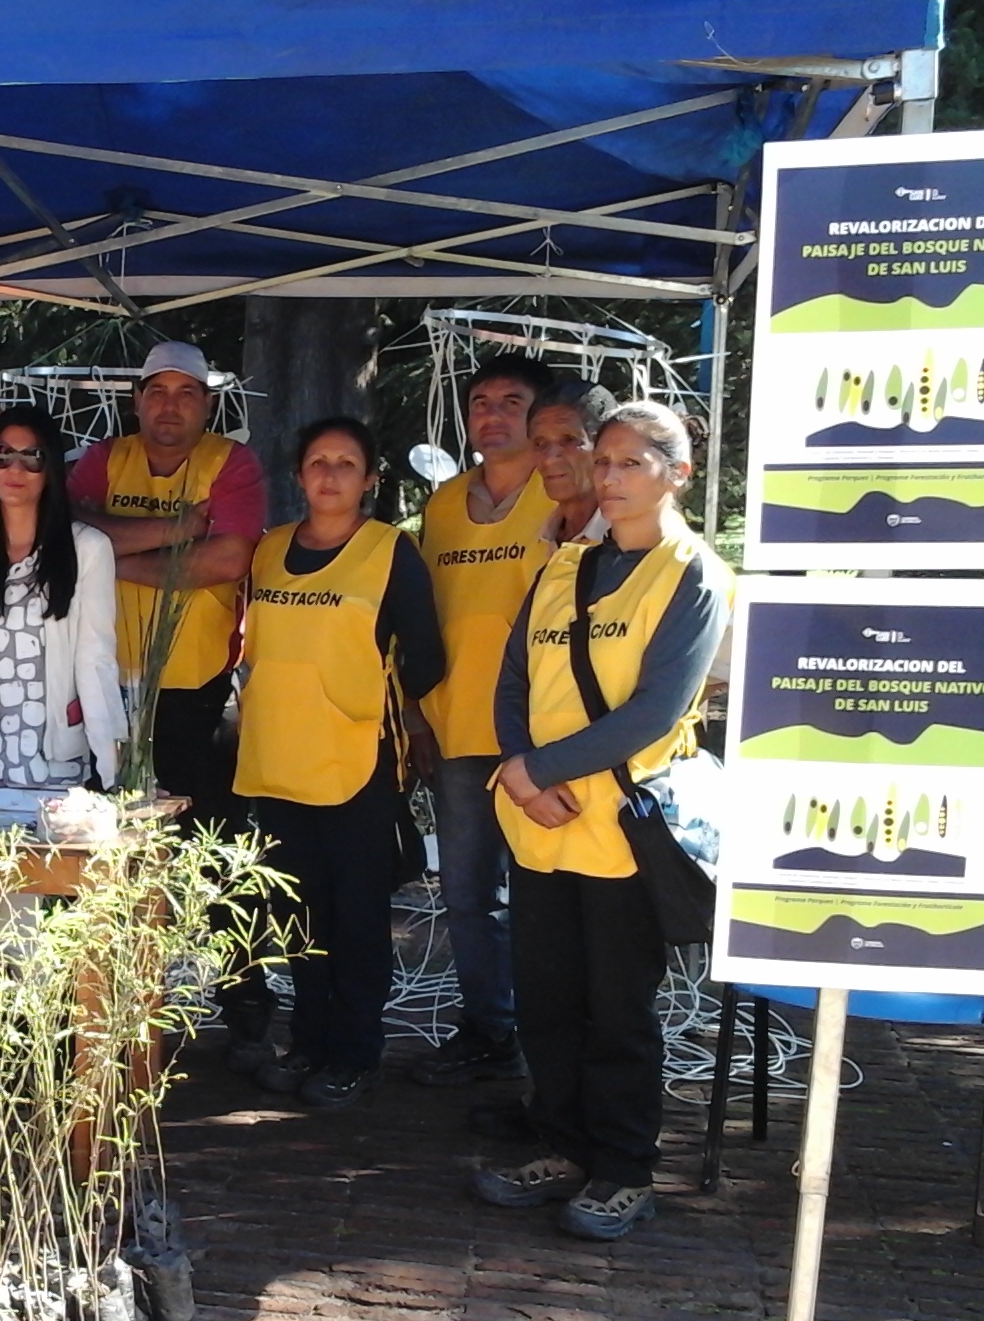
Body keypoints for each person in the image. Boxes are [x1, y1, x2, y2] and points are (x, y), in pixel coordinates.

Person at [474, 402, 732, 1241]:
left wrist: (534, 769)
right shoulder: (564, 566)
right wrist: (520, 773)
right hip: (541, 824)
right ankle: (563, 1144)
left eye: (631, 464)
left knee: (619, 1009)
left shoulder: (693, 574)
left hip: (621, 826)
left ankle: (624, 1168)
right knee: (548, 1000)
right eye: (606, 463)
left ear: (677, 474)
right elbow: (513, 680)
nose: (610, 479)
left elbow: (656, 711)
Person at [236, 418, 444, 1109]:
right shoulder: (266, 551)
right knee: (296, 915)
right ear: (298, 475)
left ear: (371, 480)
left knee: (355, 918)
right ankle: (309, 1041)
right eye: (317, 462)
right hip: (275, 758)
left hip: (355, 762)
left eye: (346, 464)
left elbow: (426, 657)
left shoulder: (391, 552)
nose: (330, 474)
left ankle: (354, 1053)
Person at [67, 341, 270, 1035]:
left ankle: (245, 1007)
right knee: (102, 858)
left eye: (188, 393)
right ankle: (109, 1005)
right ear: (136, 398)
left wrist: (114, 559)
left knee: (213, 855)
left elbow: (228, 558)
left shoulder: (232, 463)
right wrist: (178, 529)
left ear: (208, 404)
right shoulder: (103, 459)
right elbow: (70, 533)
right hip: (107, 700)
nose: (171, 407)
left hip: (196, 694)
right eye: (158, 392)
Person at [407, 352, 558, 1089]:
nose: (492, 412)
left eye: (511, 400)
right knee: (469, 895)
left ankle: (551, 1043)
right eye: (480, 400)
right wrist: (416, 717)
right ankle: (489, 1030)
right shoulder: (440, 505)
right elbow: (423, 621)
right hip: (457, 730)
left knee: (546, 897)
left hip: (543, 737)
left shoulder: (564, 495)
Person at [0, 405, 127, 788]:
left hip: (57, 767)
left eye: (30, 457)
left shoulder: (87, 548)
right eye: (1, 456)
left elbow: (96, 661)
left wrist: (115, 772)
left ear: (50, 467)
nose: (13, 470)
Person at [529, 381, 616, 549]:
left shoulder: (629, 540)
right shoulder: (536, 540)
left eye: (569, 440)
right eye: (540, 443)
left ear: (605, 447)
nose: (550, 458)